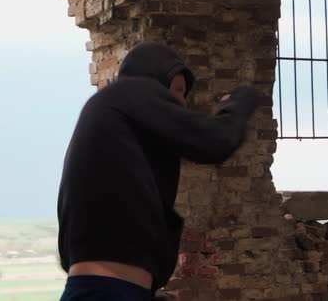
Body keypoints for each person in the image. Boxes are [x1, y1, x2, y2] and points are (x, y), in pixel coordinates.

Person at [57, 41, 257, 300]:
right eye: (177, 91)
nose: (180, 104)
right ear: (154, 79)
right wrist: (240, 102)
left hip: (103, 288)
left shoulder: (109, 112)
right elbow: (216, 140)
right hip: (107, 291)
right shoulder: (132, 92)